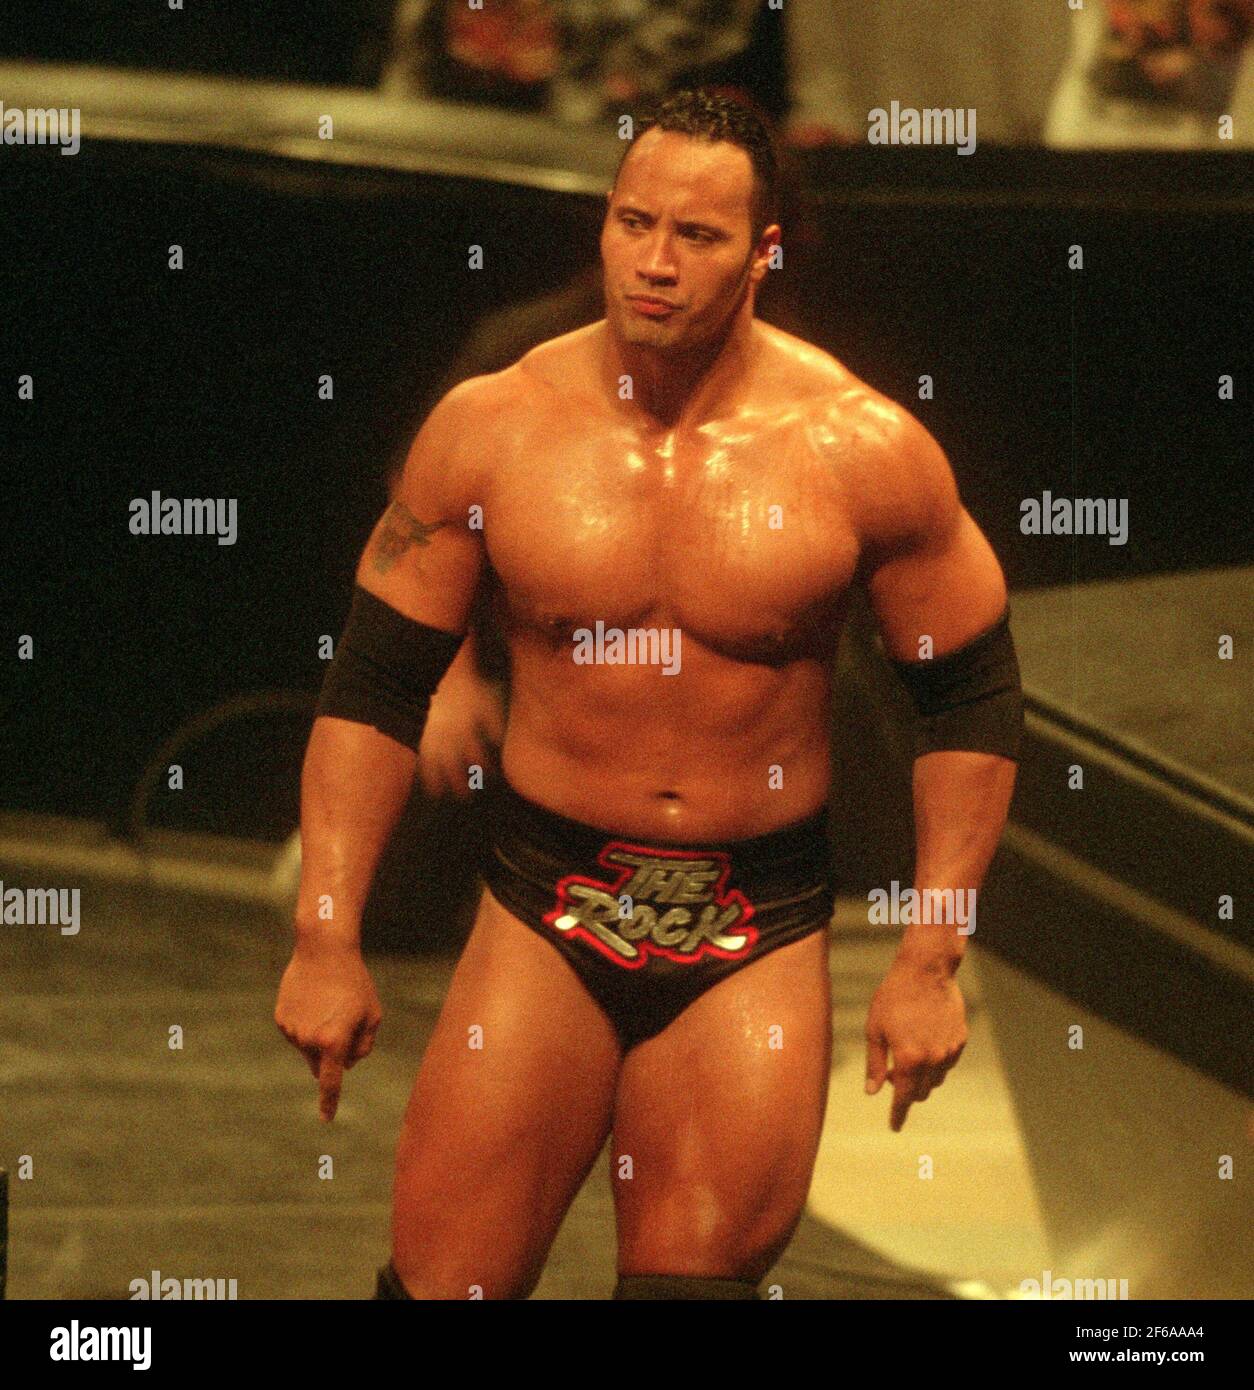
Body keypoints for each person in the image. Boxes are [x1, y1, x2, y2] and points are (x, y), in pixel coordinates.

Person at [274, 88, 1023, 1301]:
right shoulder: (495, 426)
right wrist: (324, 933)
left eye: (698, 237)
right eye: (633, 224)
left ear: (764, 253)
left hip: (753, 926)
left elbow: (972, 698)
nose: (654, 264)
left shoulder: (860, 447)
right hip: (543, 906)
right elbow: (373, 683)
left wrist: (931, 956)